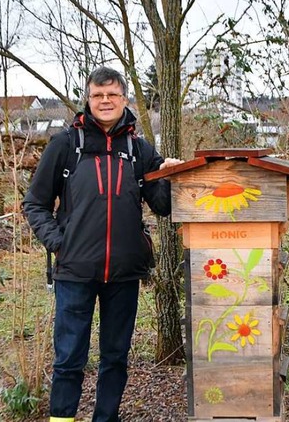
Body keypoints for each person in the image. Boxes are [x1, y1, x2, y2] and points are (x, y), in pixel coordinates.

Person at [23, 66, 182, 422]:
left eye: (112, 94)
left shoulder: (138, 149)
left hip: (124, 274)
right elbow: (34, 203)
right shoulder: (65, 145)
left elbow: (162, 205)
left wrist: (170, 176)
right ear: (88, 100)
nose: (105, 101)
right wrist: (58, 244)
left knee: (115, 358)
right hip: (75, 272)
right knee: (69, 359)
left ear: (124, 99)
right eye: (98, 95)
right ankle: (61, 418)